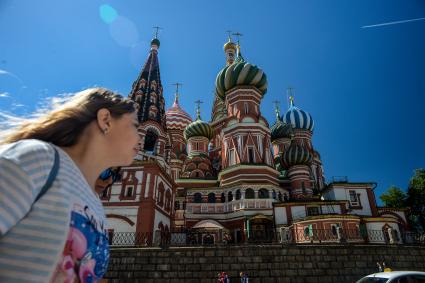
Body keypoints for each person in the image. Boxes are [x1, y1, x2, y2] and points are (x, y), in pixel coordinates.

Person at [0, 88, 140, 282]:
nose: (140, 138)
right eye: (135, 125)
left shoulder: (94, 204)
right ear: (105, 120)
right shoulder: (39, 159)